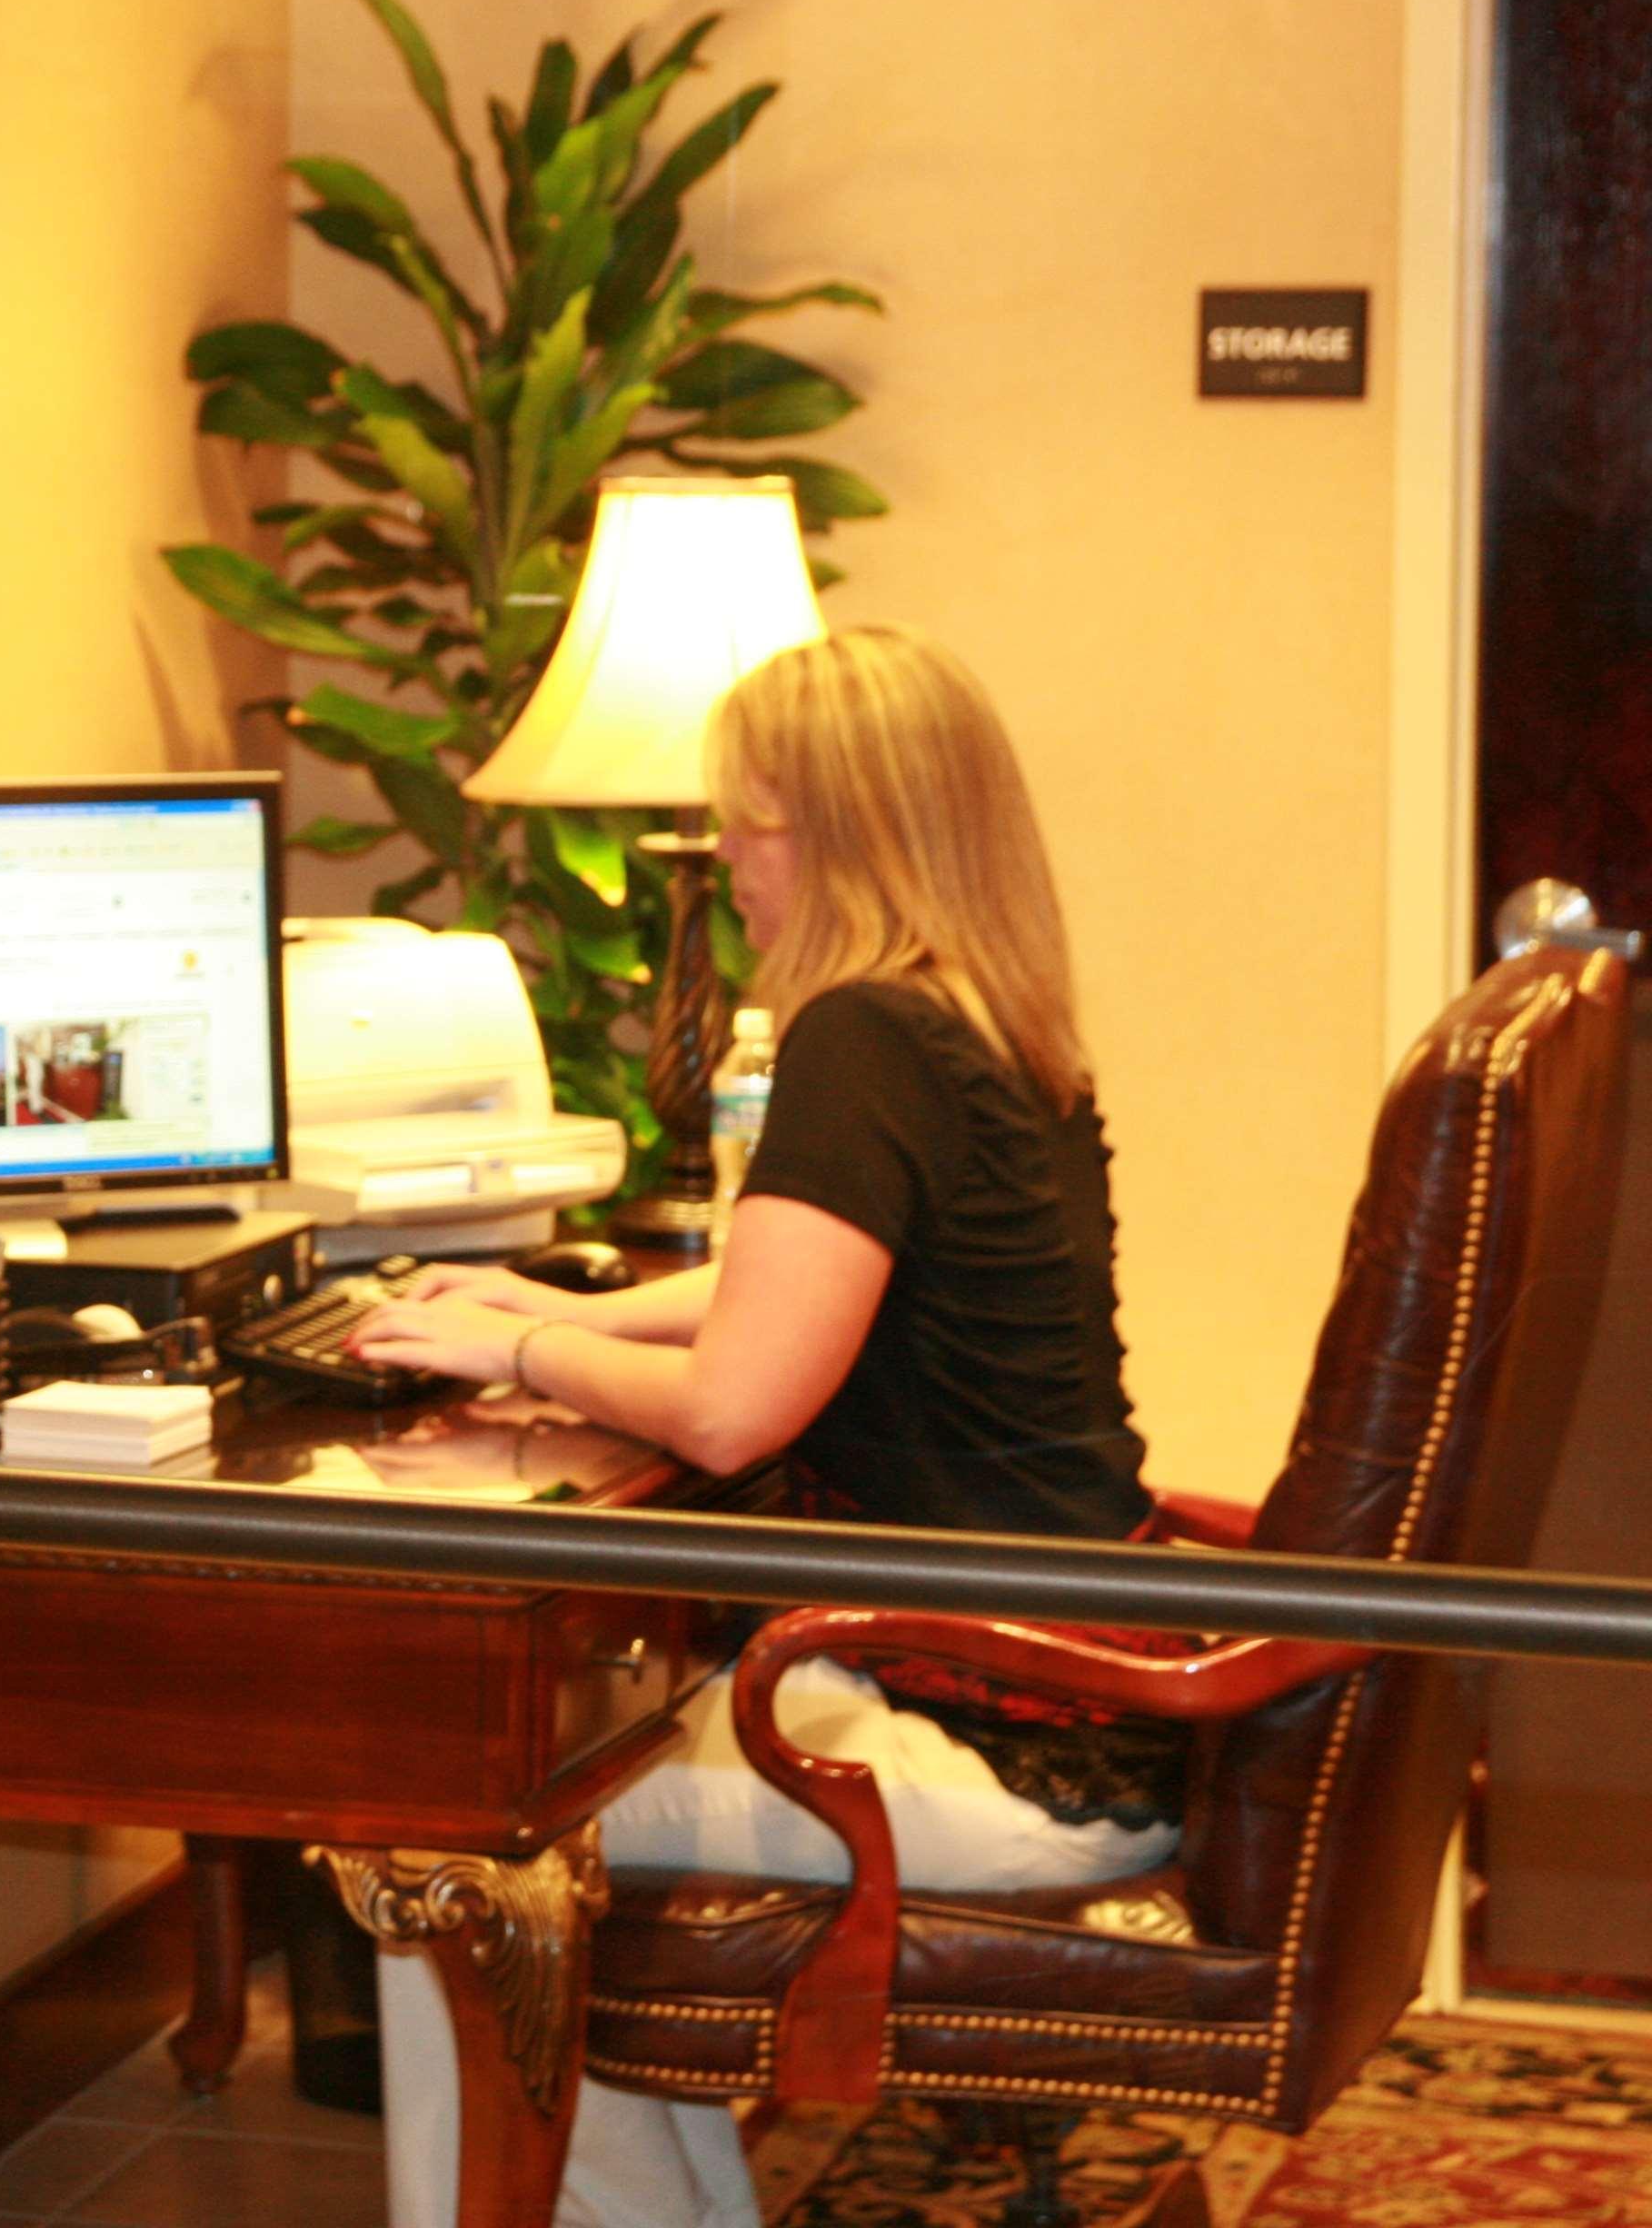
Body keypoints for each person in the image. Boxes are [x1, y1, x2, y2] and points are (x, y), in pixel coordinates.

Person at [343, 625, 1179, 2228]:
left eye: (755, 818)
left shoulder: (863, 1036)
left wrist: (517, 1340)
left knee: (441, 1840)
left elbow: (732, 1409)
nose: (725, 853)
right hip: (1080, 1704)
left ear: (849, 832)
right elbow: (790, 1278)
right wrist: (570, 1321)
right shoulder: (992, 1026)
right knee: (534, 1804)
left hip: (988, 1742)